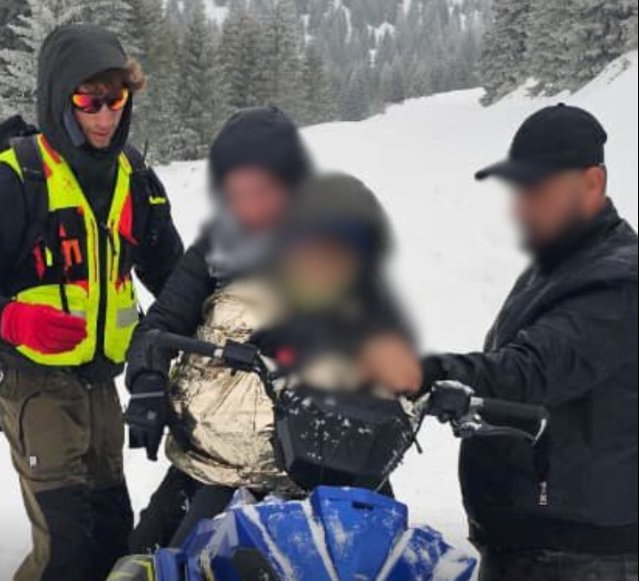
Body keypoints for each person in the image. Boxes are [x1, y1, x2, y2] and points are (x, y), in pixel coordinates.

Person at [0, 24, 183, 581]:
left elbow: (173, 278)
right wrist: (14, 320)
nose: (105, 117)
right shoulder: (13, 179)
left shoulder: (136, 178)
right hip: (32, 384)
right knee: (66, 548)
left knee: (112, 537)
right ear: (59, 99)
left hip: (102, 386)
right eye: (89, 102)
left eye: (117, 100)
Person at [125, 107, 420, 551]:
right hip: (210, 465)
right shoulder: (215, 249)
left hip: (312, 476)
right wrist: (147, 382)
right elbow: (161, 324)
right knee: (145, 557)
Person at [418, 104, 638, 581]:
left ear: (592, 183)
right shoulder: (559, 266)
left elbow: (530, 371)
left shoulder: (619, 281)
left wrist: (427, 372)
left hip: (581, 556)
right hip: (532, 545)